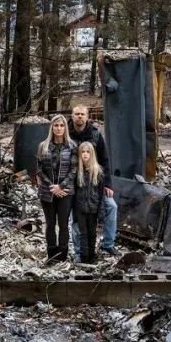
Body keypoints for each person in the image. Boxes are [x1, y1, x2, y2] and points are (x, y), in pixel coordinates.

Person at [69, 105, 118, 256]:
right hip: (73, 182)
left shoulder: (95, 134)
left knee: (111, 206)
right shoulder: (66, 133)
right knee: (76, 217)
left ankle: (108, 244)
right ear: (72, 116)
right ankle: (79, 252)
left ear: (87, 116)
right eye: (77, 114)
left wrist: (108, 184)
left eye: (82, 114)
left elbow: (104, 160)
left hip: (94, 183)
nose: (79, 117)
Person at [35, 115, 77, 262]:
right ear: (51, 127)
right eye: (56, 125)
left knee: (64, 224)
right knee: (50, 224)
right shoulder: (43, 146)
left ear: (65, 127)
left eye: (61, 125)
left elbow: (74, 170)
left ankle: (63, 256)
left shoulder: (72, 146)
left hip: (66, 191)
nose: (59, 128)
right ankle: (52, 256)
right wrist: (52, 186)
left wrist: (61, 186)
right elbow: (39, 169)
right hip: (48, 191)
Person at [72, 142, 105, 264]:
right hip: (80, 208)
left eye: (88, 152)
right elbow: (74, 193)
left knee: (92, 233)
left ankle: (92, 256)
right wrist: (74, 211)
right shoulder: (77, 172)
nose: (85, 154)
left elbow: (101, 195)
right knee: (83, 234)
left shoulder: (99, 172)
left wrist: (101, 212)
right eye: (83, 152)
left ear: (92, 154)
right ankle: (84, 258)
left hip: (93, 208)